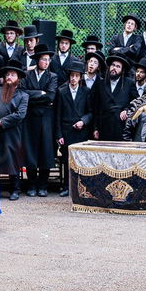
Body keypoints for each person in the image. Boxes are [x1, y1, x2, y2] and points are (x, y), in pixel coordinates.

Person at [0, 58, 29, 199]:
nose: (9, 77)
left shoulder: (23, 95)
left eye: (13, 75)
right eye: (7, 74)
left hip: (12, 132)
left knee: (12, 160)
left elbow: (20, 114)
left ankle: (15, 189)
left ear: (18, 78)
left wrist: (1, 122)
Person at [22, 48, 58, 196]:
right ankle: (31, 185)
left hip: (46, 119)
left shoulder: (53, 76)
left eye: (48, 60)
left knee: (45, 151)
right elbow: (22, 93)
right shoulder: (27, 74)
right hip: (30, 119)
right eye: (44, 59)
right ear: (37, 60)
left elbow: (50, 97)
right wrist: (39, 93)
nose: (46, 62)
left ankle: (43, 185)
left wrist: (33, 96)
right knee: (30, 151)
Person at [56, 60, 92, 196]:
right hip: (66, 131)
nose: (73, 79)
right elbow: (57, 115)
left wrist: (83, 121)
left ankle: (80, 186)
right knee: (66, 160)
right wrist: (59, 135)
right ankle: (66, 187)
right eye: (72, 75)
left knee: (80, 160)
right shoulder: (61, 91)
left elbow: (90, 112)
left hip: (81, 131)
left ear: (80, 77)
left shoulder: (86, 91)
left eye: (76, 76)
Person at [93, 53, 135, 141]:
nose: (114, 68)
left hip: (122, 127)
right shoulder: (100, 83)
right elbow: (95, 107)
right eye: (113, 65)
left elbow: (136, 102)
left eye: (118, 66)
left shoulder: (129, 83)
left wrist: (127, 110)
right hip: (104, 127)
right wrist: (95, 128)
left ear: (122, 70)